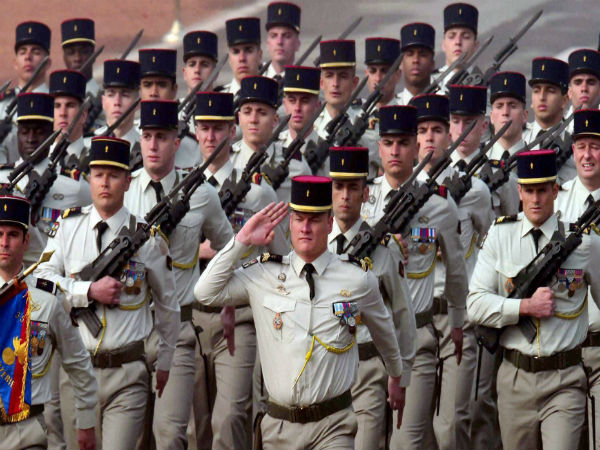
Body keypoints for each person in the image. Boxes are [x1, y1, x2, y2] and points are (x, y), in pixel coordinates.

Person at [194, 175, 405, 450]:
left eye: (314, 219)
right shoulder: (265, 274)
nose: (305, 228)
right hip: (279, 427)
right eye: (299, 219)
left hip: (334, 424)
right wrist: (242, 240)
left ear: (329, 223)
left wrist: (396, 375)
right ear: (290, 223)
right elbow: (205, 292)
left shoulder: (357, 279)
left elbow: (384, 331)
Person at [35, 135, 181, 449]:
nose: (105, 183)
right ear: (88, 179)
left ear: (128, 182)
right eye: (99, 174)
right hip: (77, 371)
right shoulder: (67, 227)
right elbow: (42, 280)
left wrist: (165, 361)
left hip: (127, 372)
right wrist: (87, 290)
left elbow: (168, 305)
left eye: (114, 175)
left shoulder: (149, 239)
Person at [468, 149, 600, 449]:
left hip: (564, 378)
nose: (536, 199)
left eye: (543, 190)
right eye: (529, 190)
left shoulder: (585, 245)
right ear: (519, 191)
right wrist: (523, 307)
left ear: (556, 190)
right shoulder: (501, 235)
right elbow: (475, 305)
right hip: (515, 378)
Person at [124, 98, 233, 449]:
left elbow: (230, 248)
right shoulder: (123, 193)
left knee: (171, 436)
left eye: (162, 136)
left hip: (181, 333)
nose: (153, 145)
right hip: (131, 330)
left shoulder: (201, 194)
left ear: (176, 141)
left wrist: (229, 302)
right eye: (148, 136)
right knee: (133, 440)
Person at [361, 104, 467, 449]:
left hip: (417, 339)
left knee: (407, 442)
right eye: (388, 143)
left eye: (404, 142)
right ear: (379, 147)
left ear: (415, 146)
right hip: (366, 339)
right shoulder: (364, 200)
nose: (395, 151)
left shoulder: (439, 204)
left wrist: (456, 321)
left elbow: (455, 268)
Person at [191, 91, 289, 450]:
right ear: (196, 133)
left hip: (242, 316)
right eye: (204, 129)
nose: (211, 137)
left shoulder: (257, 194)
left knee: (231, 417)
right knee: (194, 426)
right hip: (192, 318)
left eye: (219, 129)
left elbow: (282, 259)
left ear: (231, 132)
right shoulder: (184, 192)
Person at [410, 92, 492, 450]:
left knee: (453, 423)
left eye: (438, 129)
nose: (430, 137)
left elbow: (489, 242)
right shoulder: (400, 192)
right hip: (416, 319)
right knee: (416, 426)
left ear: (450, 136)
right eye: (423, 130)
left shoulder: (475, 190)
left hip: (458, 317)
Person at [328, 145, 417, 450]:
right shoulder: (315, 245)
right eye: (338, 187)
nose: (344, 196)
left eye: (353, 188)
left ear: (366, 194)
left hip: (368, 366)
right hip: (326, 367)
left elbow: (403, 313)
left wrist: (400, 376)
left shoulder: (384, 248)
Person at [0, 195, 98, 450]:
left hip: (27, 431)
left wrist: (86, 419)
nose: (4, 242)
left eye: (12, 234)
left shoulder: (47, 299)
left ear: (26, 240)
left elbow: (77, 362)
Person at [554, 108, 600, 450]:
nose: (587, 155)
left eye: (595, 146)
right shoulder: (554, 202)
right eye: (581, 146)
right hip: (563, 351)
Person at [0, 92, 91, 252]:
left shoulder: (75, 187)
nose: (31, 139)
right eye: (24, 132)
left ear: (51, 134)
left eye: (39, 132)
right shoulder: (2, 176)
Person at [231, 75, 311, 204]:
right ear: (239, 118)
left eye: (261, 113)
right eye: (247, 112)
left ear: (275, 120)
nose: (253, 120)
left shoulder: (297, 168)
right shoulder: (228, 161)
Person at [449, 84, 519, 217]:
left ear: (483, 126)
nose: (461, 130)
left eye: (469, 122)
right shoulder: (433, 174)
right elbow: (423, 229)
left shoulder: (504, 178)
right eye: (456, 121)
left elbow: (512, 230)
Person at [137, 48, 199, 170]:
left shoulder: (193, 147)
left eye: (161, 85)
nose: (154, 92)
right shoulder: (130, 137)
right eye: (147, 85)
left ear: (174, 89)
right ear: (140, 89)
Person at [0, 21, 52, 164]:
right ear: (15, 63)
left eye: (35, 52)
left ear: (48, 63)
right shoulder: (2, 105)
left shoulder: (58, 104)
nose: (28, 57)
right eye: (22, 52)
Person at [522, 57, 574, 183]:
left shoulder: (576, 147)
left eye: (550, 91)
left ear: (565, 100)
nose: (542, 97)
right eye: (536, 90)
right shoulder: (520, 142)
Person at [362, 37, 403, 177]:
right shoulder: (354, 114)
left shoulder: (406, 115)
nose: (378, 78)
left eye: (385, 71)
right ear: (366, 74)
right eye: (373, 71)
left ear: (398, 75)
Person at [277, 65, 322, 171]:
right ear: (285, 105)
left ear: (317, 106)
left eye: (305, 101)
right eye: (292, 101)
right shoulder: (274, 148)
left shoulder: (328, 151)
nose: (297, 108)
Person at [88, 59, 141, 151]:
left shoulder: (145, 149)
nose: (117, 102)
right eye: (111, 95)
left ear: (137, 104)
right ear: (103, 101)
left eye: (125, 95)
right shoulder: (89, 147)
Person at [49, 69, 90, 172]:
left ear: (83, 115)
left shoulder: (96, 162)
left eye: (70, 105)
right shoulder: (40, 161)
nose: (62, 113)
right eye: (57, 106)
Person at [436, 3, 480, 94]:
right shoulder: (429, 83)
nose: (458, 42)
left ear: (476, 45)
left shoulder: (484, 85)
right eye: (452, 36)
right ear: (443, 44)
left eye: (466, 36)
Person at [486, 71, 528, 161]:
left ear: (524, 116)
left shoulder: (535, 160)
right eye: (499, 106)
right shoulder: (477, 161)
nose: (505, 112)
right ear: (492, 117)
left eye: (513, 106)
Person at [396, 23, 436, 105]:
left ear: (432, 64)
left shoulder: (444, 106)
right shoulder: (392, 107)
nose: (415, 60)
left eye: (422, 54)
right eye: (410, 54)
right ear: (401, 63)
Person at [223, 17, 262, 96]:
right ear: (229, 58)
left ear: (260, 55)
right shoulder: (219, 99)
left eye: (248, 50)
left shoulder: (273, 95)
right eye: (236, 52)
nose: (242, 58)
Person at [60, 18, 99, 97]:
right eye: (71, 53)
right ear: (64, 58)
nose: (77, 58)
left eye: (84, 52)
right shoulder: (56, 101)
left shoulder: (105, 101)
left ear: (94, 56)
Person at [263, 1, 301, 80]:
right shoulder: (255, 79)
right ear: (267, 43)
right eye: (274, 36)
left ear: (297, 44)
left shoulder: (304, 82)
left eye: (286, 36)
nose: (279, 42)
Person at [565, 49, 600, 133]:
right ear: (569, 92)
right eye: (578, 82)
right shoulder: (555, 133)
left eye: (591, 82)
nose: (584, 88)